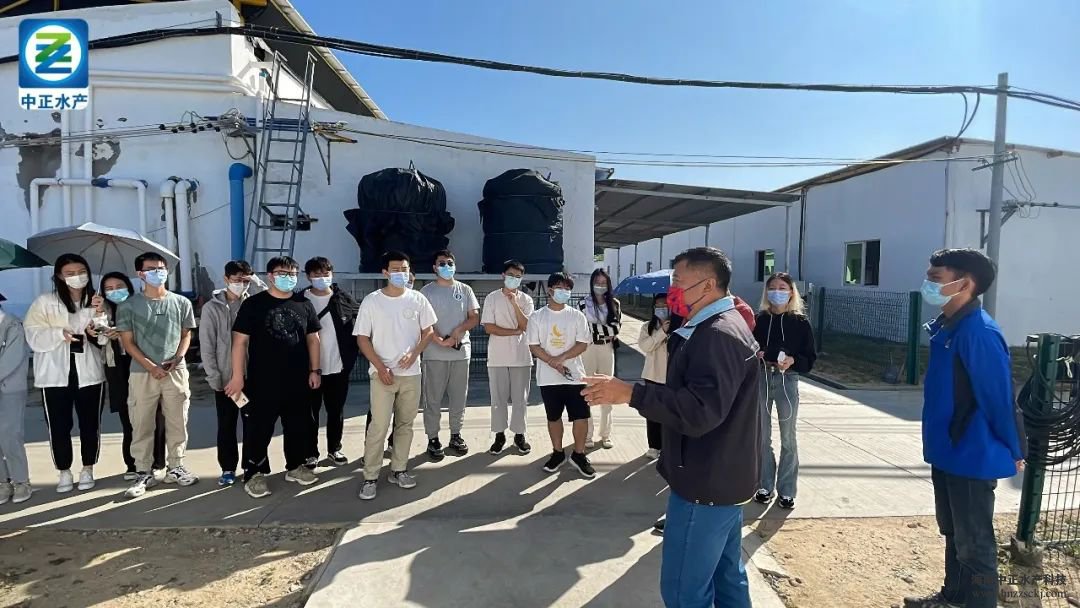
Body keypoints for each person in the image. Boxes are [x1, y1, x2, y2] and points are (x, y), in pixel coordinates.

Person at [583, 247, 760, 608]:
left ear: (707, 284)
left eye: (678, 280)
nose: (672, 289)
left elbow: (700, 411)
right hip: (724, 478)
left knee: (685, 592)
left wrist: (632, 393)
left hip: (705, 483)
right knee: (727, 578)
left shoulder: (717, 335)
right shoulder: (718, 325)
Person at [903, 248, 1026, 608]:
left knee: (976, 545)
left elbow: (998, 399)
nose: (927, 284)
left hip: (971, 454)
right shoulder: (948, 327)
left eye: (936, 278)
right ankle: (953, 598)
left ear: (965, 284)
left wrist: (1015, 447)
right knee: (954, 533)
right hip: (948, 450)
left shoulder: (979, 332)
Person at [225, 256, 322, 499]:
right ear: (270, 276)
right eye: (282, 273)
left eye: (292, 274)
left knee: (297, 426)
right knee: (259, 429)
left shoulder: (303, 304)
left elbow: (313, 339)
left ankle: (295, 466)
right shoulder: (254, 305)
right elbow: (239, 342)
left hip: (298, 380)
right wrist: (237, 376)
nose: (288, 278)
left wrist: (315, 370)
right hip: (262, 381)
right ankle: (254, 473)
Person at [354, 251, 436, 500]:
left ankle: (399, 469)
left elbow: (429, 331)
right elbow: (362, 338)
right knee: (379, 426)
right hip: (382, 375)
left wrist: (414, 354)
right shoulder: (372, 301)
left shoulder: (418, 299)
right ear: (385, 272)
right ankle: (370, 476)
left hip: (411, 374)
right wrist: (380, 367)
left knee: (405, 424)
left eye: (405, 269)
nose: (401, 274)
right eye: (396, 269)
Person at [117, 252, 198, 498]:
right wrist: (151, 366)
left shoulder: (181, 302)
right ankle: (143, 471)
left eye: (161, 268)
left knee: (177, 420)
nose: (158, 273)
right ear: (140, 274)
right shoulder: (128, 305)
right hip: (142, 373)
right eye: (152, 269)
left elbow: (186, 334)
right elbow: (128, 342)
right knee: (141, 422)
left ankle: (176, 466)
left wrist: (178, 357)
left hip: (175, 371)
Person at [24, 254, 106, 493]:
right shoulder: (44, 302)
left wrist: (99, 316)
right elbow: (33, 334)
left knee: (90, 424)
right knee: (59, 426)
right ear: (60, 276)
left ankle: (88, 468)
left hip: (89, 372)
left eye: (81, 272)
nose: (77, 277)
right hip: (54, 374)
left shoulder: (96, 300)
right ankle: (64, 471)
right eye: (70, 273)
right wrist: (60, 334)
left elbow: (104, 338)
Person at [753, 272, 817, 510]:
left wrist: (793, 360)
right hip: (762, 377)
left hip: (787, 380)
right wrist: (758, 354)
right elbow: (750, 347)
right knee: (762, 435)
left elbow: (809, 358)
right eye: (772, 287)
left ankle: (787, 490)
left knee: (788, 436)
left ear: (791, 292)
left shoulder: (799, 323)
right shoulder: (759, 320)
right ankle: (764, 485)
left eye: (782, 288)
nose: (777, 292)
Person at [96, 272, 165, 480]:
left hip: (143, 363)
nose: (115, 291)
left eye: (119, 286)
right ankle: (133, 463)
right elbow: (96, 338)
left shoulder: (140, 305)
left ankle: (157, 462)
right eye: (109, 288)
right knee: (129, 419)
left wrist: (126, 334)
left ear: (128, 286)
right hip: (117, 368)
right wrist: (100, 319)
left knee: (154, 415)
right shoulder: (102, 310)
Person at [200, 260, 262, 487]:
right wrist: (215, 377)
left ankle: (249, 465)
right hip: (226, 379)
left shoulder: (253, 302)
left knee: (252, 424)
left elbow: (268, 296)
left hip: (251, 377)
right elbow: (207, 345)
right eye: (237, 280)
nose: (241, 285)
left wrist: (255, 281)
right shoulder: (212, 308)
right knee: (226, 425)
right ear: (226, 279)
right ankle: (227, 468)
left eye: (245, 280)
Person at [529, 272, 595, 479]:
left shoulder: (576, 316)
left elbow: (583, 343)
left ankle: (579, 454)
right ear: (550, 290)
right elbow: (534, 346)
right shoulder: (537, 316)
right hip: (548, 379)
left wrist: (561, 358)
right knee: (554, 417)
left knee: (581, 416)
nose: (564, 291)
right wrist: (552, 362)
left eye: (567, 288)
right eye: (560, 287)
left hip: (575, 376)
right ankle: (558, 453)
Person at [420, 250, 480, 460]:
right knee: (433, 398)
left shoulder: (465, 289)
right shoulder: (426, 291)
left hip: (460, 352)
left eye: (450, 262)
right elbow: (424, 321)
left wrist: (458, 331)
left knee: (458, 397)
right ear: (434, 268)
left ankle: (456, 434)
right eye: (442, 263)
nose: (447, 266)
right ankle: (433, 437)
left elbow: (474, 316)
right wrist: (438, 339)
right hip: (434, 354)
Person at [303, 256, 360, 468]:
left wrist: (350, 359)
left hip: (338, 367)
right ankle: (310, 453)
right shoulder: (300, 300)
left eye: (326, 273)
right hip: (309, 369)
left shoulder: (343, 298)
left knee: (336, 411)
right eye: (317, 274)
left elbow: (358, 327)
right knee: (310, 413)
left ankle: (334, 448)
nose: (322, 277)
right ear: (308, 276)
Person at [481, 260, 534, 455]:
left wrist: (514, 303)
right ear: (503, 275)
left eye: (518, 277)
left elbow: (526, 326)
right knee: (498, 399)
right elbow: (489, 327)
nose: (514, 279)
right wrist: (514, 332)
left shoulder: (526, 300)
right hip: (497, 357)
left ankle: (519, 434)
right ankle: (499, 435)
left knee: (520, 399)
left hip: (521, 356)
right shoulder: (492, 298)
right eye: (511, 275)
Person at [580, 268, 621, 449]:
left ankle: (605, 434)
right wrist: (603, 329)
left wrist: (595, 328)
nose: (600, 286)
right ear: (592, 283)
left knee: (607, 388)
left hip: (606, 349)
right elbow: (584, 328)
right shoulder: (583, 303)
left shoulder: (615, 304)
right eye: (597, 282)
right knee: (587, 390)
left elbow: (615, 329)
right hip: (588, 349)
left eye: (603, 283)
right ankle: (587, 434)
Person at [0, 294, 31, 505]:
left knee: (10, 435)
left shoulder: (12, 325)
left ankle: (21, 481)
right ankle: (2, 482)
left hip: (9, 388)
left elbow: (11, 360)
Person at [637, 293, 670, 460]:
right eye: (658, 305)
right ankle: (654, 446)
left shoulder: (679, 326)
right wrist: (662, 332)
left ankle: (667, 446)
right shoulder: (647, 327)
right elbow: (646, 346)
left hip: (670, 377)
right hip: (652, 375)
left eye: (665, 305)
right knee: (652, 413)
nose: (661, 308)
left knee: (669, 414)